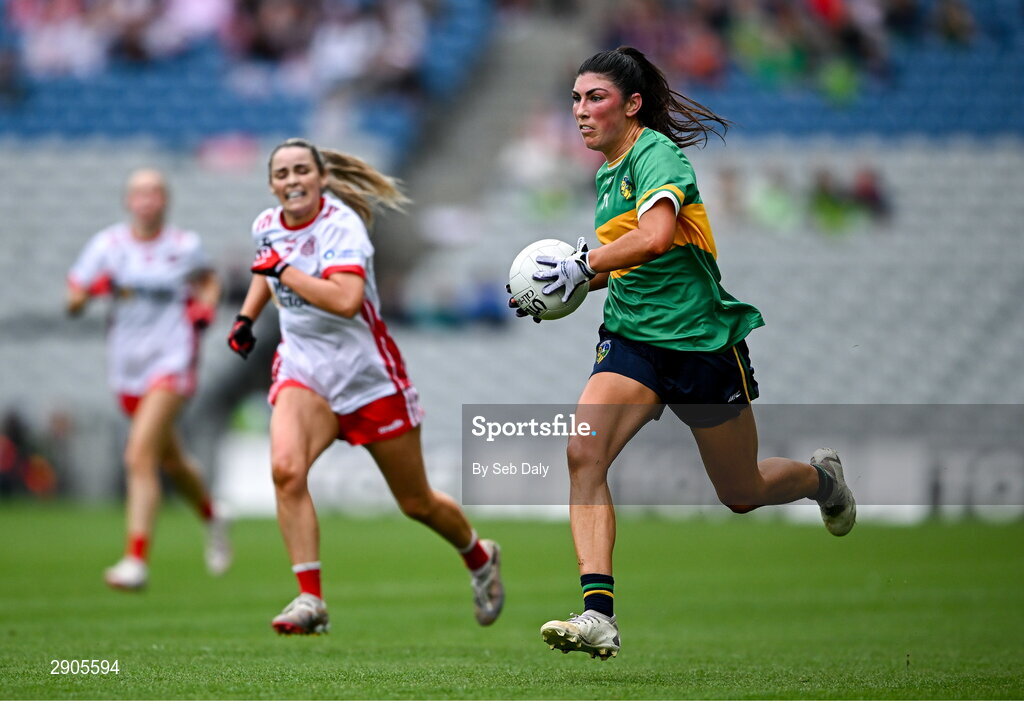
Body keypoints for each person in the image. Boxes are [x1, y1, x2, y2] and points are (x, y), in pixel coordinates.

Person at [510, 47, 856, 660]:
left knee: (741, 493)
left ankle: (823, 480)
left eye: (595, 98)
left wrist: (581, 264)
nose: (580, 111)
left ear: (632, 105)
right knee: (582, 451)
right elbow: (625, 262)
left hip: (699, 343)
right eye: (574, 98)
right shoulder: (608, 171)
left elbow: (657, 237)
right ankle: (598, 615)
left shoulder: (656, 155)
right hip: (633, 340)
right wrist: (554, 287)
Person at [227, 137, 504, 635]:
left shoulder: (342, 225)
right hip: (303, 369)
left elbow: (347, 300)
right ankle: (310, 599)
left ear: (322, 178)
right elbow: (264, 272)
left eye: (300, 171)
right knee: (286, 472)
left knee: (416, 502)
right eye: (282, 174)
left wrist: (283, 270)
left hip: (366, 377)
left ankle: (479, 556)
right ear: (272, 184)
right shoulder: (266, 225)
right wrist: (247, 317)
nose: (291, 180)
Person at [66, 168, 231, 590]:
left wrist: (204, 310)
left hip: (172, 361)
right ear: (128, 201)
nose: (146, 200)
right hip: (128, 368)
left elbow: (209, 281)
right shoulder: (108, 245)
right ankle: (213, 516)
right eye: (139, 193)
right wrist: (93, 290)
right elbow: (73, 299)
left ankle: (135, 560)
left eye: (154, 192)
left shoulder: (183, 246)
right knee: (172, 460)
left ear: (165, 200)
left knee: (139, 456)